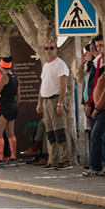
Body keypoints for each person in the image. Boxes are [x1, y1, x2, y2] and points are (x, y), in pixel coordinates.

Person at [36, 41, 72, 170]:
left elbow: (63, 84)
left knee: (60, 131)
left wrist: (60, 103)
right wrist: (39, 102)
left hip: (55, 100)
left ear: (56, 49)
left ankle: (66, 159)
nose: (48, 50)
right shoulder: (46, 65)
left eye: (51, 48)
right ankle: (54, 160)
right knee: (50, 133)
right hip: (46, 101)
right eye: (46, 48)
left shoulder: (60, 64)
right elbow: (43, 84)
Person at [0, 57, 20, 168]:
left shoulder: (4, 78)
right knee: (11, 133)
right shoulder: (15, 77)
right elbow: (18, 95)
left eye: (0, 66)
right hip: (13, 106)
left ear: (3, 66)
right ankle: (13, 157)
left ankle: (0, 158)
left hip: (5, 107)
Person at [83, 71, 105, 176]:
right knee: (102, 137)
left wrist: (97, 107)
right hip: (100, 109)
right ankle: (104, 165)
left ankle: (97, 166)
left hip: (102, 110)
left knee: (97, 136)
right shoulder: (101, 70)